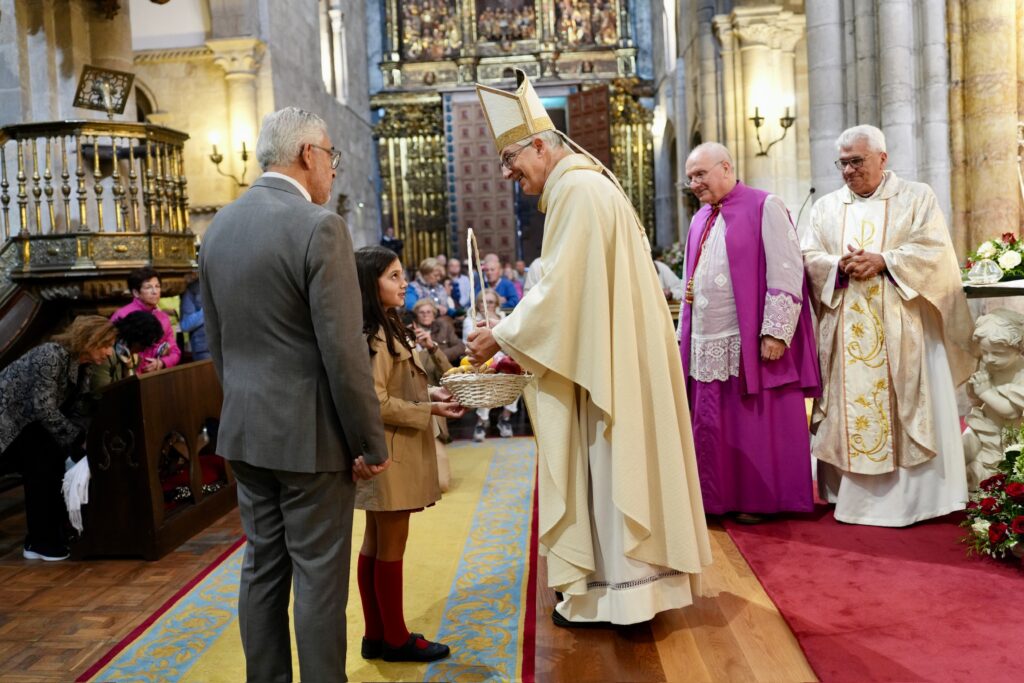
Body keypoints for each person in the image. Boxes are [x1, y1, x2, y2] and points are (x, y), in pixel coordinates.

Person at [468, 69, 711, 626]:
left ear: (537, 144)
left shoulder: (576, 191)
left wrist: (502, 334)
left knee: (608, 465)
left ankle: (618, 596)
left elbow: (558, 293)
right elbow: (568, 290)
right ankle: (630, 593)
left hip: (608, 369)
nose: (508, 175)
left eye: (511, 161)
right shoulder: (582, 185)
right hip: (608, 354)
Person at [199, 106, 389, 683]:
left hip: (245, 431)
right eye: (331, 157)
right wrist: (370, 442)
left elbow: (219, 342)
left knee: (261, 569)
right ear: (309, 155)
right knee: (318, 580)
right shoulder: (318, 226)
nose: (333, 171)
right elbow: (343, 351)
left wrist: (241, 411)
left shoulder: (220, 228)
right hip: (310, 440)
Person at [802, 124, 975, 527]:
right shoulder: (826, 207)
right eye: (842, 163)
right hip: (846, 329)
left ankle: (916, 502)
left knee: (906, 404)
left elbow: (934, 252)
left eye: (856, 161)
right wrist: (837, 266)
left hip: (904, 329)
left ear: (882, 158)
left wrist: (885, 261)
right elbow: (808, 255)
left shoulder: (916, 197)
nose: (848, 171)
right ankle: (854, 499)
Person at [678, 143, 820, 521]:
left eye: (700, 174)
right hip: (707, 337)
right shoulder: (699, 219)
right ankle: (714, 498)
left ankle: (760, 500)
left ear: (726, 167)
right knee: (712, 418)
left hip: (749, 337)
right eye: (690, 177)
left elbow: (787, 270)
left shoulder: (764, 205)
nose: (694, 183)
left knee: (752, 420)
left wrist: (775, 332)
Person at [353, 246, 464, 662]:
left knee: (374, 543)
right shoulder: (377, 334)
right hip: (391, 449)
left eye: (403, 275)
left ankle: (376, 634)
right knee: (390, 546)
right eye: (394, 277)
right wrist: (430, 408)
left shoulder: (386, 324)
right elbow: (375, 401)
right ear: (371, 283)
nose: (404, 284)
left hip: (389, 446)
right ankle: (396, 639)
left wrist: (430, 391)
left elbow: (399, 385)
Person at [0, 316, 116, 561]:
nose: (109, 352)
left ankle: (43, 538)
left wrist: (85, 438)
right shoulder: (51, 354)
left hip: (29, 426)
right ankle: (41, 541)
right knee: (42, 466)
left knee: (48, 463)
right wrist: (78, 438)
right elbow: (44, 408)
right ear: (90, 340)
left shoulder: (82, 364)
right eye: (106, 345)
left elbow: (76, 407)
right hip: (8, 424)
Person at [963, 310, 1024, 489]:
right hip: (986, 424)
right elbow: (974, 398)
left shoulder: (1021, 374)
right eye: (985, 352)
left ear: (1018, 348)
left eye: (997, 353)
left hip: (1011, 434)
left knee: (998, 467)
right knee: (961, 449)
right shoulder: (987, 364)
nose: (990, 359)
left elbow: (1010, 411)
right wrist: (975, 388)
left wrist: (985, 392)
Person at [462, 290, 518, 441]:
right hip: (478, 360)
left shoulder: (504, 318)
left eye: (490, 302)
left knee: (515, 372)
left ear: (497, 304)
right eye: (482, 302)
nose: (486, 306)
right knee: (488, 374)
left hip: (502, 358)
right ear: (478, 304)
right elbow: (473, 345)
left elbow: (510, 344)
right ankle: (482, 421)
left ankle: (505, 418)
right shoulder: (470, 320)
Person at [111, 267, 181, 373]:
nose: (155, 292)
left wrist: (162, 363)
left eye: (157, 286)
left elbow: (175, 351)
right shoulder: (122, 315)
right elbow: (111, 350)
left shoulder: (163, 318)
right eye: (148, 287)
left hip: (157, 375)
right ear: (136, 292)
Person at [90, 311, 165, 391]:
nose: (144, 349)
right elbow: (100, 392)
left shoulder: (132, 356)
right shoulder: (105, 354)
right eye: (144, 345)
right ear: (135, 338)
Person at [410, 298, 465, 365]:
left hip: (445, 365)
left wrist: (439, 355)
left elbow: (461, 346)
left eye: (428, 312)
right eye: (422, 312)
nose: (425, 315)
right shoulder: (412, 332)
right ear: (416, 315)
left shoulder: (444, 326)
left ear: (434, 315)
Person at [180, 272, 209, 360]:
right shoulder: (193, 289)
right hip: (204, 349)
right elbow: (186, 324)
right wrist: (208, 309)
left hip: (231, 345)